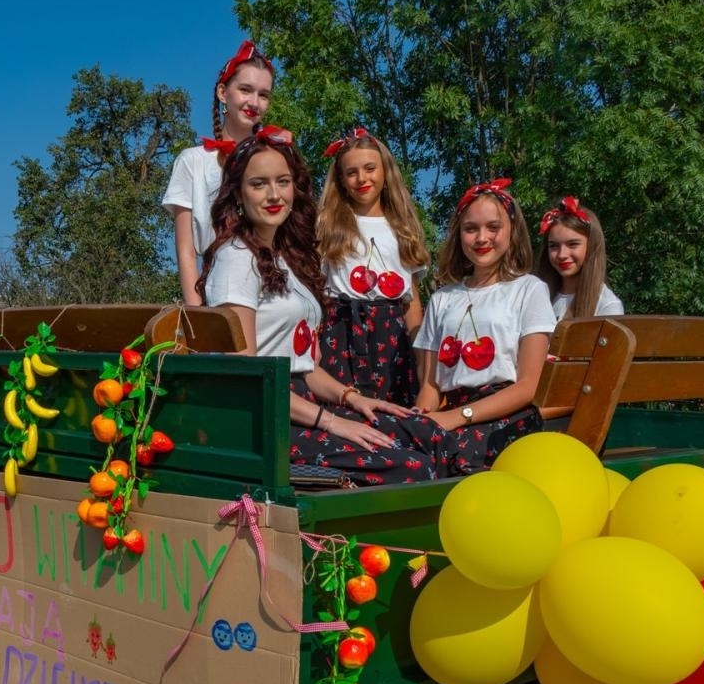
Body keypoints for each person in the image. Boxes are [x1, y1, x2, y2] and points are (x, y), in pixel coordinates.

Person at [198, 126, 443, 485]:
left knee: (425, 434)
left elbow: (304, 366)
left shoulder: (283, 258)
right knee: (412, 467)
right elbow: (248, 378)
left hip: (302, 400)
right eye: (258, 184)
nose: (273, 195)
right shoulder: (236, 259)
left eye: (282, 182)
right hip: (266, 421)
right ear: (237, 192)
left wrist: (352, 397)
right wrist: (332, 421)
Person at [413, 179, 555, 473]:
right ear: (459, 235)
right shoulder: (442, 298)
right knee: (402, 447)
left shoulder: (529, 290)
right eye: (471, 229)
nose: (481, 237)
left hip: (506, 414)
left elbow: (528, 385)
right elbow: (431, 385)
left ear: (512, 232)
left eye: (493, 227)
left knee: (445, 460)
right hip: (451, 410)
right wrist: (422, 419)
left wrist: (458, 416)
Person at [316, 127, 431, 406]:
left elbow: (411, 298)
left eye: (370, 168)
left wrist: (418, 351)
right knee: (345, 409)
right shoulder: (327, 224)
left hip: (392, 333)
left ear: (385, 171)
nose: (361, 178)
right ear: (341, 180)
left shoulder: (402, 226)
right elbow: (319, 291)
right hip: (341, 329)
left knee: (395, 407)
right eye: (351, 172)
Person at [163, 41, 275, 307]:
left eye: (263, 94)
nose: (254, 102)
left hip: (274, 287)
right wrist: (197, 314)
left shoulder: (276, 160)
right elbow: (187, 250)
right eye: (245, 90)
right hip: (218, 290)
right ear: (223, 93)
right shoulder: (193, 161)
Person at [535, 195, 624, 320]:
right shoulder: (538, 295)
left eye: (573, 244)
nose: (562, 255)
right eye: (554, 246)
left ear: (592, 246)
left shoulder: (607, 306)